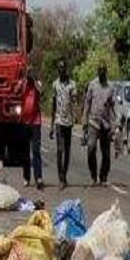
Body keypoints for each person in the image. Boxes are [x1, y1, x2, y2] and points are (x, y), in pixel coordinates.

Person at [82, 61, 117, 186]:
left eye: (104, 70)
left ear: (106, 71)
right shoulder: (92, 85)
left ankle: (103, 176)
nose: (102, 72)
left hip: (106, 124)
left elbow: (113, 107)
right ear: (97, 71)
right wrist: (84, 123)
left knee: (106, 153)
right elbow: (87, 104)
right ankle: (93, 175)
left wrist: (114, 126)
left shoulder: (111, 87)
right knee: (91, 148)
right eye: (100, 70)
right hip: (93, 122)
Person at [50, 59, 77, 190]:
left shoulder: (72, 85)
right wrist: (51, 125)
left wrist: (76, 118)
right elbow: (53, 104)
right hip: (59, 121)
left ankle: (64, 175)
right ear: (57, 70)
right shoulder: (55, 84)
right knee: (60, 149)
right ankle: (61, 177)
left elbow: (73, 103)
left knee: (67, 150)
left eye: (63, 68)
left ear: (66, 69)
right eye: (59, 68)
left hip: (69, 121)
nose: (61, 70)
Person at [21, 71, 44, 190]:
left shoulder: (37, 84)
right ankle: (26, 177)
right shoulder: (24, 85)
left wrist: (34, 81)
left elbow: (41, 92)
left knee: (36, 150)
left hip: (36, 122)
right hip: (24, 122)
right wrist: (25, 81)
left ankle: (38, 177)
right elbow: (17, 91)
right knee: (25, 151)